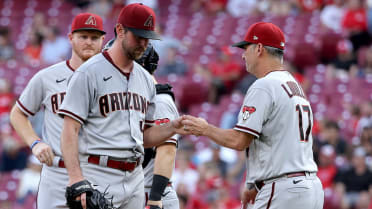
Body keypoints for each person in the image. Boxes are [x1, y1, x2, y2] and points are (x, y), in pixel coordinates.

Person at [181, 22, 324, 209]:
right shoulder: (294, 84)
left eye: (245, 48)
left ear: (259, 48)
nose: (242, 54)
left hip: (283, 190)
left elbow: (239, 141)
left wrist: (205, 129)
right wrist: (255, 182)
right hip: (309, 188)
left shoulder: (264, 85)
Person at [58, 3, 185, 209]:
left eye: (147, 38)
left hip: (135, 178)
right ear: (120, 30)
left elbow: (144, 138)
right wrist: (75, 178)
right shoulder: (89, 72)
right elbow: (69, 129)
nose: (144, 43)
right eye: (138, 36)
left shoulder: (145, 79)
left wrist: (173, 127)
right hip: (99, 172)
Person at [9, 13, 106, 209]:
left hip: (101, 170)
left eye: (94, 37)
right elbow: (17, 114)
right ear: (71, 38)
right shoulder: (47, 77)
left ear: (103, 40)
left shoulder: (113, 80)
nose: (89, 42)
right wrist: (35, 142)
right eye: (83, 36)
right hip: (57, 172)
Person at [137, 44, 180, 209]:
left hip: (152, 194)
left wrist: (155, 199)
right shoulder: (139, 99)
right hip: (137, 192)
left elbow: (167, 150)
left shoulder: (160, 100)